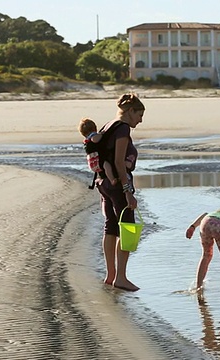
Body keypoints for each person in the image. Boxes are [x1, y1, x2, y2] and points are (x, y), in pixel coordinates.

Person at [95, 93, 145, 291]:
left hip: (103, 182)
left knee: (111, 227)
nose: (140, 120)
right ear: (130, 111)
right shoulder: (122, 128)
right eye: (139, 115)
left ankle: (111, 276)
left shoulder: (109, 125)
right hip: (117, 185)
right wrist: (128, 191)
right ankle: (121, 278)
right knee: (127, 228)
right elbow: (118, 162)